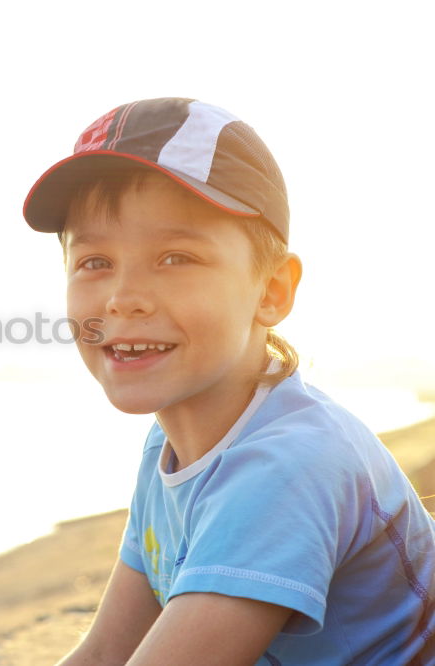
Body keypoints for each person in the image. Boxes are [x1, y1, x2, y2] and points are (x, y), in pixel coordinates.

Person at [21, 97, 435, 665]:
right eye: (94, 263)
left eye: (175, 257)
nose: (123, 298)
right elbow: (104, 653)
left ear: (272, 291)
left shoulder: (291, 464)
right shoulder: (169, 446)